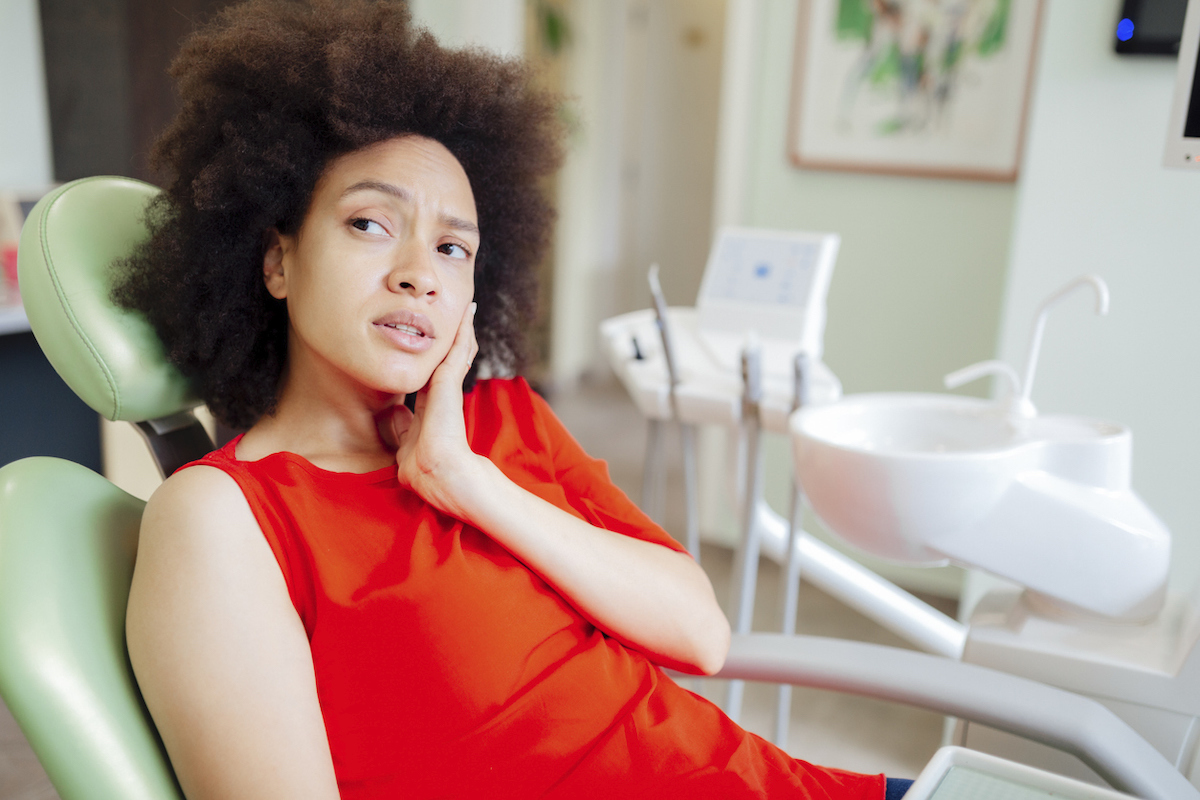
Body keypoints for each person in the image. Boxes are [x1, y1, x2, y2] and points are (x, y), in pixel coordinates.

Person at [115, 1, 908, 798]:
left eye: (453, 246)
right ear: (277, 261)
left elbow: (700, 635)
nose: (419, 272)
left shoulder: (502, 417)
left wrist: (471, 484)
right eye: (369, 223)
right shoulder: (224, 516)